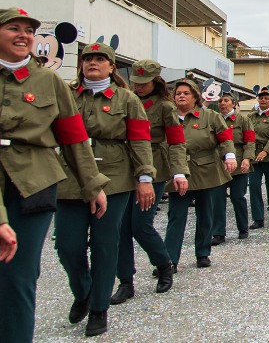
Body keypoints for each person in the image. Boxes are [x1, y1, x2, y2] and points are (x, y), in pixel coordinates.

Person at [0, 8, 108, 343]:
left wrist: (92, 184)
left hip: (33, 182)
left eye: (29, 30)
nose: (23, 35)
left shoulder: (47, 80)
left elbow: (73, 136)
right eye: (13, 28)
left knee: (17, 275)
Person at [56, 42, 155, 337]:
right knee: (67, 245)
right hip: (70, 177)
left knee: (104, 243)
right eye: (88, 58)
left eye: (100, 59)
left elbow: (139, 140)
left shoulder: (126, 99)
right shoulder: (67, 94)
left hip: (114, 177)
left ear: (112, 67)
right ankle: (83, 290)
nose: (93, 63)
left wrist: (145, 177)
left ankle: (99, 307)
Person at [111, 59, 189, 306]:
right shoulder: (124, 99)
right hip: (125, 166)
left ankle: (164, 264)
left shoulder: (166, 107)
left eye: (144, 83)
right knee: (121, 227)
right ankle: (125, 280)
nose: (139, 86)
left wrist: (179, 172)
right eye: (136, 81)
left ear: (156, 82)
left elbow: (176, 142)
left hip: (154, 166)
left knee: (140, 224)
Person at [163, 79, 236, 270]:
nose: (181, 96)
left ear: (195, 96)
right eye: (178, 93)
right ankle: (170, 259)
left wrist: (229, 156)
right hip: (177, 171)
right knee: (176, 217)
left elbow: (225, 138)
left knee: (205, 214)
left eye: (186, 93)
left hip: (206, 169)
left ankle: (203, 253)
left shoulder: (210, 116)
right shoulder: (168, 116)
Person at [211, 90, 255, 245]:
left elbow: (250, 141)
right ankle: (218, 232)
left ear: (234, 104)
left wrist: (247, 159)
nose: (222, 103)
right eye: (220, 101)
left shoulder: (243, 119)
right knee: (217, 199)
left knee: (237, 197)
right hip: (218, 164)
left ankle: (243, 227)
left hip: (238, 163)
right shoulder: (214, 119)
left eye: (226, 101)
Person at [248, 88, 269, 228]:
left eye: (266, 98)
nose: (263, 100)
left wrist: (265, 151)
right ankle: (258, 218)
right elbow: (248, 135)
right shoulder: (251, 117)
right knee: (254, 187)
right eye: (261, 98)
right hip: (254, 155)